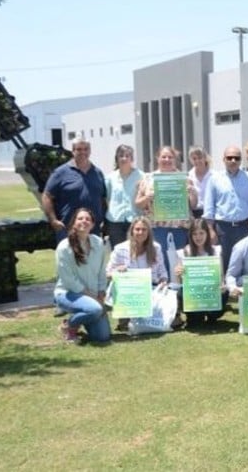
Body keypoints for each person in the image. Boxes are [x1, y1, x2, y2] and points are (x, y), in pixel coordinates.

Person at [134, 146, 198, 278]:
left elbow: (193, 204)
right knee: (158, 261)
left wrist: (192, 194)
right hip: (157, 229)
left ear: (175, 159)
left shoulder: (184, 178)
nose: (167, 160)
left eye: (170, 157)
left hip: (180, 229)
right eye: (164, 157)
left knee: (179, 262)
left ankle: (179, 290)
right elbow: (138, 203)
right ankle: (162, 287)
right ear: (158, 158)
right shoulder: (148, 178)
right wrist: (147, 198)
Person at [53, 208, 110, 343]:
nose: (84, 221)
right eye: (80, 218)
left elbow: (102, 271)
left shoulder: (98, 243)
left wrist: (101, 293)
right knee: (95, 309)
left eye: (87, 219)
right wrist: (92, 297)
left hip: (93, 295)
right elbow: (68, 280)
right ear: (73, 223)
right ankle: (70, 326)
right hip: (68, 293)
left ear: (93, 225)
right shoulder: (64, 247)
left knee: (102, 337)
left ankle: (83, 316)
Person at [203, 146, 248, 274]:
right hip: (223, 228)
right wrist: (210, 230)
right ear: (224, 159)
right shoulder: (214, 179)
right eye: (230, 158)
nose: (233, 160)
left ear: (241, 160)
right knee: (225, 261)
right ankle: (226, 291)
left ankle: (243, 289)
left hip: (245, 226)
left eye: (237, 158)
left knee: (246, 260)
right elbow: (209, 207)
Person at [106, 216, 170, 330]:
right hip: (129, 292)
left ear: (149, 232)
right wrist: (117, 271)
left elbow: (163, 272)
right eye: (137, 229)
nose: (140, 232)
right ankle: (126, 318)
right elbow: (107, 273)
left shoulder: (156, 248)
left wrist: (164, 280)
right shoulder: (120, 248)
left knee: (174, 289)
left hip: (151, 288)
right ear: (132, 231)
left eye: (144, 230)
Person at [42, 137, 107, 242]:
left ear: (90, 151)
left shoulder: (97, 172)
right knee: (70, 258)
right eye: (79, 149)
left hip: (93, 230)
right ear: (73, 151)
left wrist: (104, 221)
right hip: (68, 229)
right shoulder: (60, 173)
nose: (83, 152)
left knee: (93, 258)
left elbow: (103, 199)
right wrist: (53, 220)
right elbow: (47, 196)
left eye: (86, 149)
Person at [173, 218, 226, 328]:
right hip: (193, 293)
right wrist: (178, 273)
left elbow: (221, 276)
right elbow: (179, 282)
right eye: (195, 234)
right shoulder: (184, 252)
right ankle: (194, 316)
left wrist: (222, 286)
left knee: (225, 291)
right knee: (180, 292)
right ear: (190, 236)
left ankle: (212, 315)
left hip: (211, 291)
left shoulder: (216, 251)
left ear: (207, 233)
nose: (198, 237)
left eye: (201, 233)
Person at [104, 144, 143, 248]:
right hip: (115, 221)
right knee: (118, 251)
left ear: (132, 159)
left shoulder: (142, 176)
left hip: (135, 220)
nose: (124, 158)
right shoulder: (110, 178)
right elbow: (107, 198)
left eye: (127, 156)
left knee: (136, 250)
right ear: (117, 158)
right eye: (121, 156)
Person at [187, 146, 213, 219]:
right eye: (194, 159)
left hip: (211, 213)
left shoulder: (214, 176)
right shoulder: (188, 176)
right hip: (194, 214)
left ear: (205, 158)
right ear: (190, 160)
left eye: (200, 158)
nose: (197, 161)